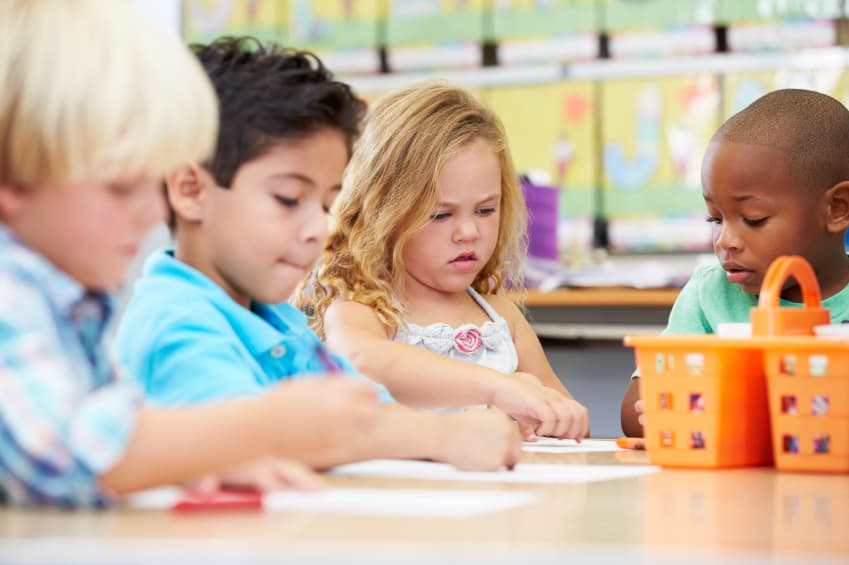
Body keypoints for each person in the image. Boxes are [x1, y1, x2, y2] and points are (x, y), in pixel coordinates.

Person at [0, 1, 381, 507]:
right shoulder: (11, 289)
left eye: (151, 184)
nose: (153, 213)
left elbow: (121, 427)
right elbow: (59, 458)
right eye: (119, 187)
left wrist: (199, 462)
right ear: (11, 178)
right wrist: (262, 427)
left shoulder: (79, 304)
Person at [115, 38, 522, 471]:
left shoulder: (279, 320)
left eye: (327, 205)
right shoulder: (175, 324)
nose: (318, 230)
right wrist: (442, 435)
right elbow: (253, 440)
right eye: (289, 199)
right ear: (191, 190)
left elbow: (366, 409)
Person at [302, 82, 589, 441]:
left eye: (486, 210)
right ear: (381, 213)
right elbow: (362, 360)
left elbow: (568, 418)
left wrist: (545, 416)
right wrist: (497, 388)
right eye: (440, 215)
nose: (468, 232)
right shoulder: (363, 309)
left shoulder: (502, 319)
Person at [620, 88, 849, 437]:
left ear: (836, 209)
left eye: (754, 219)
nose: (725, 240)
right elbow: (636, 412)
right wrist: (664, 409)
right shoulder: (709, 295)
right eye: (716, 219)